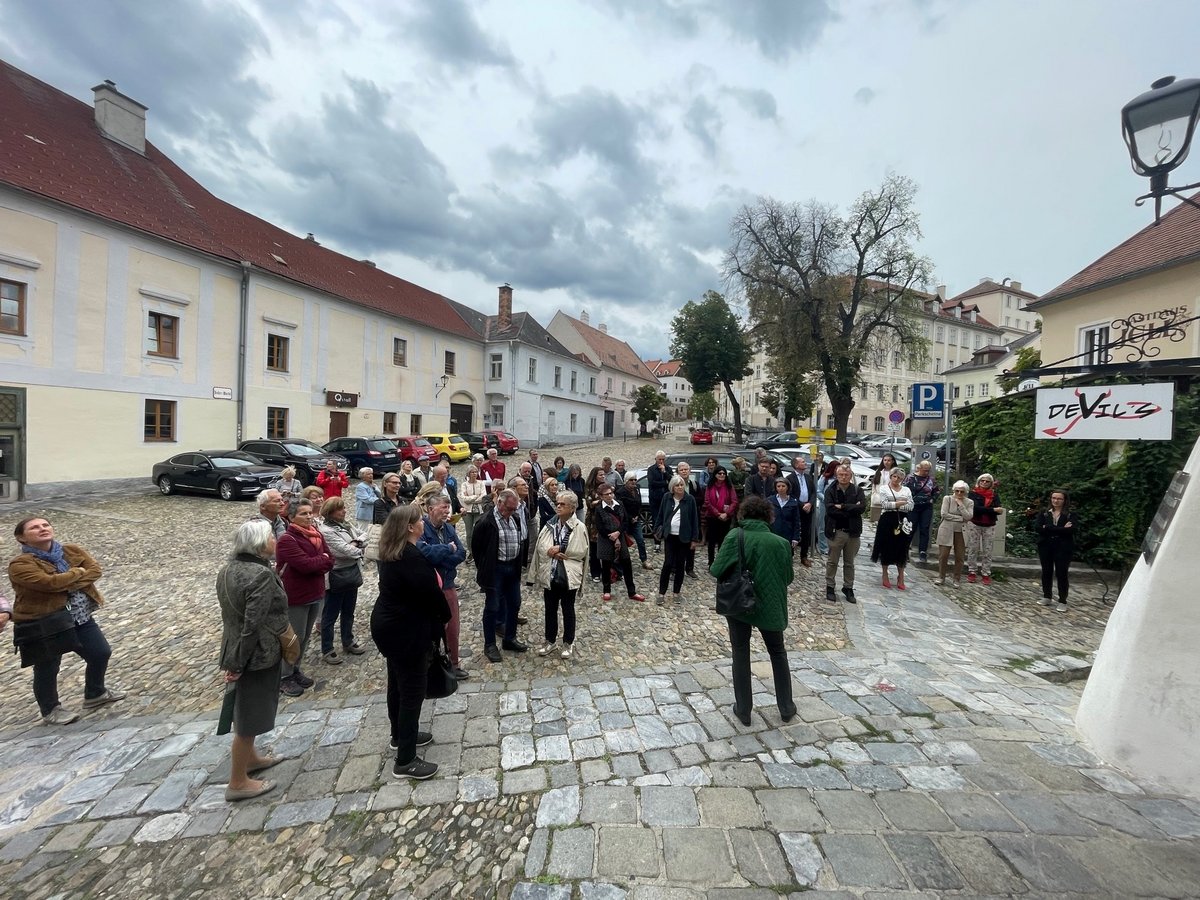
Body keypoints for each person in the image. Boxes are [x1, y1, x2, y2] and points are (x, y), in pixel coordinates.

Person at [8, 517, 124, 725]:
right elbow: (48, 583)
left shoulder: (72, 550)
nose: (42, 529)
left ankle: (95, 694)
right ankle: (50, 710)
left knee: (100, 652)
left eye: (45, 525)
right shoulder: (20, 564)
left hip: (80, 615)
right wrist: (77, 573)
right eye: (34, 528)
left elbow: (95, 571)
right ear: (21, 538)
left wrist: (67, 580)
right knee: (48, 666)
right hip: (45, 621)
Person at [371, 503, 450, 780]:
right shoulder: (410, 557)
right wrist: (444, 616)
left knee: (397, 684)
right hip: (405, 632)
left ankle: (400, 735)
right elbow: (431, 595)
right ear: (409, 527)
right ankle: (405, 760)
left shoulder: (395, 552)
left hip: (391, 627)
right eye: (419, 520)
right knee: (412, 692)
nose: (422, 523)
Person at [217, 519, 290, 801]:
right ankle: (237, 782)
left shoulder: (228, 569)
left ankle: (252, 759)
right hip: (256, 654)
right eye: (272, 537)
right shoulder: (259, 575)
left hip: (235, 647)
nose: (275, 541)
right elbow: (252, 623)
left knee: (249, 710)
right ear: (260, 544)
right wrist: (238, 663)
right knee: (249, 717)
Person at [710, 495, 796, 726]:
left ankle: (744, 709)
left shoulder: (734, 536)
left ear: (743, 515)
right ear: (769, 516)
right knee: (778, 653)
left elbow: (716, 569)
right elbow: (788, 577)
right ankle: (786, 707)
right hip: (770, 605)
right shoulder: (781, 543)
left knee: (740, 652)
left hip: (739, 604)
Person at [275, 499, 334, 696]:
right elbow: (305, 565)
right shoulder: (287, 540)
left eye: (310, 513)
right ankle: (284, 676)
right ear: (291, 517)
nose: (309, 516)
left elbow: (330, 558)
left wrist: (321, 561)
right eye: (303, 513)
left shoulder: (315, 535)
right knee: (294, 638)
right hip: (296, 596)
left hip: (315, 591)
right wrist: (321, 561)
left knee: (305, 637)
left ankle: (295, 669)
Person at [471, 488, 528, 662]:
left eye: (514, 509)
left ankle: (509, 639)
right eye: (509, 508)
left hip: (512, 569)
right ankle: (489, 645)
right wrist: (485, 569)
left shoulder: (515, 518)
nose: (511, 512)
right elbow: (477, 549)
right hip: (495, 570)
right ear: (499, 502)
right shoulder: (485, 522)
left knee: (514, 603)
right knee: (493, 607)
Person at [532, 489, 589, 659]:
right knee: (550, 609)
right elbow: (540, 546)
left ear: (572, 508)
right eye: (557, 503)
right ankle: (550, 640)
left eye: (562, 504)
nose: (558, 506)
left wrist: (562, 548)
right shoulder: (550, 524)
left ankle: (568, 642)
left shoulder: (579, 527)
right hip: (550, 573)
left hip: (569, 575)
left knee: (567, 609)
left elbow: (582, 550)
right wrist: (552, 551)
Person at [418, 494, 469, 678]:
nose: (447, 512)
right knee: (430, 629)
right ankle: (429, 668)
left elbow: (462, 553)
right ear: (430, 509)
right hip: (429, 588)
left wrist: (442, 561)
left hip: (448, 584)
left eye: (448, 508)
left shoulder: (448, 528)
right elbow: (424, 554)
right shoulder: (422, 529)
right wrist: (448, 550)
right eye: (443, 508)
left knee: (453, 628)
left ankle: (453, 664)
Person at [317, 497, 367, 664]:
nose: (345, 511)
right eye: (340, 509)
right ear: (330, 513)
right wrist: (358, 546)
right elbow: (346, 551)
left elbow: (365, 535)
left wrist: (357, 543)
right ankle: (327, 648)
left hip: (351, 573)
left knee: (349, 611)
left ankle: (348, 641)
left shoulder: (345, 524)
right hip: (336, 575)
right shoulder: (326, 531)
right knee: (330, 614)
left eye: (344, 507)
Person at [594, 481, 647, 602]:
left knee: (627, 564)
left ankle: (632, 591)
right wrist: (611, 536)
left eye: (611, 493)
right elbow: (600, 526)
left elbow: (625, 522)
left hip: (620, 537)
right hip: (606, 539)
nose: (609, 496)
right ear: (601, 496)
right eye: (606, 494)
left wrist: (618, 533)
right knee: (606, 565)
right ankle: (606, 590)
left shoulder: (620, 504)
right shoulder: (599, 509)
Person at [656, 474, 700, 606]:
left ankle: (676, 592)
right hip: (670, 536)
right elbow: (661, 514)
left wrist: (694, 539)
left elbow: (694, 519)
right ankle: (661, 593)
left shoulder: (690, 499)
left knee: (681, 565)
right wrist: (656, 531)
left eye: (681, 485)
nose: (680, 487)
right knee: (668, 564)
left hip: (684, 537)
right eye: (677, 485)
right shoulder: (666, 498)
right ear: (672, 487)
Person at [824, 465, 865, 604]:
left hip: (853, 532)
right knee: (832, 561)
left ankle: (848, 587)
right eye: (841, 474)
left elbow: (862, 508)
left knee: (850, 563)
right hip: (837, 531)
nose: (843, 477)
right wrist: (851, 509)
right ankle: (830, 586)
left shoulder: (857, 490)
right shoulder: (831, 490)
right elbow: (830, 510)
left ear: (850, 475)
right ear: (836, 475)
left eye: (846, 475)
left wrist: (842, 506)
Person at [872, 468, 915, 589]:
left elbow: (911, 506)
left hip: (903, 520)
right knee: (886, 545)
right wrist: (900, 503)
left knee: (902, 547)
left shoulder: (906, 490)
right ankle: (885, 573)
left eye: (899, 478)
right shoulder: (884, 488)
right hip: (887, 519)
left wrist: (895, 504)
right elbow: (885, 504)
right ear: (891, 477)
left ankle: (901, 576)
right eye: (894, 477)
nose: (896, 480)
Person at [1036, 489, 1077, 610]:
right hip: (1046, 546)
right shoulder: (1044, 512)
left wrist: (1048, 527)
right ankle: (1047, 596)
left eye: (1059, 498)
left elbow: (1071, 530)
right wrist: (1060, 529)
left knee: (1062, 573)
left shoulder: (1070, 514)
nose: (1056, 501)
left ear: (1064, 500)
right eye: (1054, 498)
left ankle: (1062, 600)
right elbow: (1038, 528)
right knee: (1046, 571)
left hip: (1063, 547)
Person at [934, 481, 971, 585]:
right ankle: (941, 577)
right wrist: (960, 518)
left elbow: (968, 517)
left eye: (962, 491)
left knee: (960, 556)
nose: (959, 493)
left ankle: (957, 578)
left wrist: (961, 505)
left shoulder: (969, 502)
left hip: (961, 531)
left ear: (965, 492)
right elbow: (944, 514)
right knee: (943, 555)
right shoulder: (947, 499)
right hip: (946, 529)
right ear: (953, 490)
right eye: (957, 491)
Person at [966, 473, 1001, 585]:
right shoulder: (972, 494)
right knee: (973, 548)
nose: (984, 483)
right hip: (975, 523)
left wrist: (993, 510)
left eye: (987, 481)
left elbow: (999, 508)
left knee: (988, 550)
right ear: (979, 481)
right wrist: (992, 510)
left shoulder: (994, 495)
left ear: (991, 483)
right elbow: (975, 509)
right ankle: (972, 571)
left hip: (989, 524)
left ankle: (986, 573)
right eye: (983, 481)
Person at [904, 461, 941, 563]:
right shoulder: (910, 478)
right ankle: (904, 550)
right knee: (910, 528)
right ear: (919, 468)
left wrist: (933, 499)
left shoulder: (931, 479)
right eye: (924, 470)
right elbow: (904, 490)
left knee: (924, 528)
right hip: (913, 506)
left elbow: (937, 491)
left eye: (928, 470)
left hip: (926, 506)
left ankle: (923, 551)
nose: (926, 472)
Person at [702, 466, 737, 566]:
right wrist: (718, 514)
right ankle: (711, 561)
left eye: (723, 474)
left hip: (726, 517)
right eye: (719, 473)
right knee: (712, 541)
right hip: (712, 517)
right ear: (715, 475)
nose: (722, 475)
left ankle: (721, 562)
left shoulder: (729, 487)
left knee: (723, 540)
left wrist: (726, 513)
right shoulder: (710, 486)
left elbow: (734, 501)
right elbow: (707, 502)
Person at [674, 461, 703, 577]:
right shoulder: (673, 484)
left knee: (691, 544)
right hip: (677, 518)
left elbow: (701, 498)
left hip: (691, 517)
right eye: (681, 470)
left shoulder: (694, 484)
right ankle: (674, 569)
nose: (684, 471)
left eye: (686, 469)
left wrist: (689, 501)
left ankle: (689, 568)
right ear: (678, 472)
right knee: (675, 545)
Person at [785, 457, 816, 567]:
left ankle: (804, 556)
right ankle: (790, 554)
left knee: (806, 533)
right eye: (802, 461)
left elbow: (813, 492)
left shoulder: (808, 477)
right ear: (796, 465)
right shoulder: (790, 478)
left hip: (808, 509)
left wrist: (810, 503)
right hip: (796, 508)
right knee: (793, 531)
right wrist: (802, 505)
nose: (805, 462)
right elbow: (791, 494)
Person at [617, 472, 650, 570]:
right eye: (631, 480)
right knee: (623, 543)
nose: (634, 482)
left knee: (640, 540)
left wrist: (637, 516)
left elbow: (639, 504)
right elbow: (621, 508)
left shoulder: (637, 489)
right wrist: (630, 517)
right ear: (626, 481)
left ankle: (644, 560)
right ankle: (622, 561)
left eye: (635, 479)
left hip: (636, 519)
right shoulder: (620, 492)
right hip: (625, 521)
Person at [459, 465, 487, 557]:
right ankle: (471, 551)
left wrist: (470, 498)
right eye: (472, 472)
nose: (474, 474)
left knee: (478, 530)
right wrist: (475, 497)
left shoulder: (481, 483)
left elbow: (483, 496)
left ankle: (479, 549)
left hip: (479, 510)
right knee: (469, 532)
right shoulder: (464, 484)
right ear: (468, 473)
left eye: (475, 472)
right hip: (468, 511)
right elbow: (464, 498)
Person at [769, 477, 801, 554]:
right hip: (773, 533)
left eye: (783, 486)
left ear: (787, 487)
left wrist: (795, 538)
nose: (781, 488)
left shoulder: (793, 503)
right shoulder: (770, 501)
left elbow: (796, 521)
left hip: (787, 534)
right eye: (778, 486)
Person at [646, 451, 672, 549]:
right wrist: (664, 483)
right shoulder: (651, 469)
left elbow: (671, 480)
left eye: (663, 459)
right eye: (659, 459)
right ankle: (657, 542)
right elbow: (652, 483)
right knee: (656, 520)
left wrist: (664, 472)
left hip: (666, 498)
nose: (661, 461)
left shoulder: (668, 468)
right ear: (656, 459)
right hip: (655, 499)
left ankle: (667, 539)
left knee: (666, 519)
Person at [815, 459, 840, 556]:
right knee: (823, 526)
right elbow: (818, 491)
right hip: (825, 505)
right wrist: (826, 500)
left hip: (837, 505)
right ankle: (823, 547)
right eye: (836, 468)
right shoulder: (824, 478)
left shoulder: (840, 478)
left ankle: (833, 546)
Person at [869, 453, 899, 527]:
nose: (886, 462)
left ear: (892, 461)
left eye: (889, 460)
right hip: (879, 499)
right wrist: (874, 495)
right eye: (885, 460)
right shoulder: (879, 472)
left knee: (889, 521)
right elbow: (874, 485)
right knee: (879, 520)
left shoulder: (897, 472)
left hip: (891, 499)